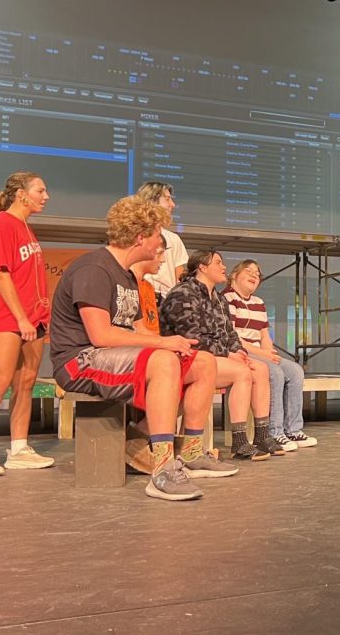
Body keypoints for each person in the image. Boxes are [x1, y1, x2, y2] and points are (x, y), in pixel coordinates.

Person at [51, 197, 234, 501]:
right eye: (157, 234)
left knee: (202, 362)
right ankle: (161, 470)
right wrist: (163, 344)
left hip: (112, 357)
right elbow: (101, 335)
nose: (161, 243)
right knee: (163, 360)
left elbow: (137, 330)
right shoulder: (94, 268)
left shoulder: (127, 276)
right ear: (141, 237)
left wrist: (176, 345)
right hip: (79, 361)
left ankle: (190, 454)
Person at [0, 172, 56, 477]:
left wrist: (37, 316)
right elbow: (2, 275)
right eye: (40, 190)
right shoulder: (3, 224)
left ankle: (19, 449)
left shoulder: (26, 228)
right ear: (21, 194)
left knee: (26, 384)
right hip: (7, 317)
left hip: (33, 319)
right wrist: (20, 317)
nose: (46, 196)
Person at [161, 249, 282, 461]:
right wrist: (228, 353)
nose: (224, 267)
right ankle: (239, 441)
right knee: (241, 372)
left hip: (215, 357)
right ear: (202, 267)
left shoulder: (217, 298)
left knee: (259, 369)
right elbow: (191, 338)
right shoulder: (184, 293)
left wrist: (237, 350)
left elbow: (230, 333)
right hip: (187, 357)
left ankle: (262, 435)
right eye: (218, 262)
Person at [224, 259, 316, 452]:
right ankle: (274, 431)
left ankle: (293, 429)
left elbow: (264, 334)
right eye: (248, 271)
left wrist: (269, 351)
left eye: (257, 274)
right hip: (239, 351)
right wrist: (263, 354)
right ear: (234, 275)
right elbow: (233, 337)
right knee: (274, 372)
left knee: (295, 370)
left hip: (259, 352)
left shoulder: (259, 302)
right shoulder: (227, 298)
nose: (254, 276)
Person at [134, 181, 188, 302]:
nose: (172, 205)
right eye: (167, 199)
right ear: (151, 200)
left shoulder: (173, 239)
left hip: (166, 303)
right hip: (139, 297)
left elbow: (179, 276)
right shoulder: (133, 234)